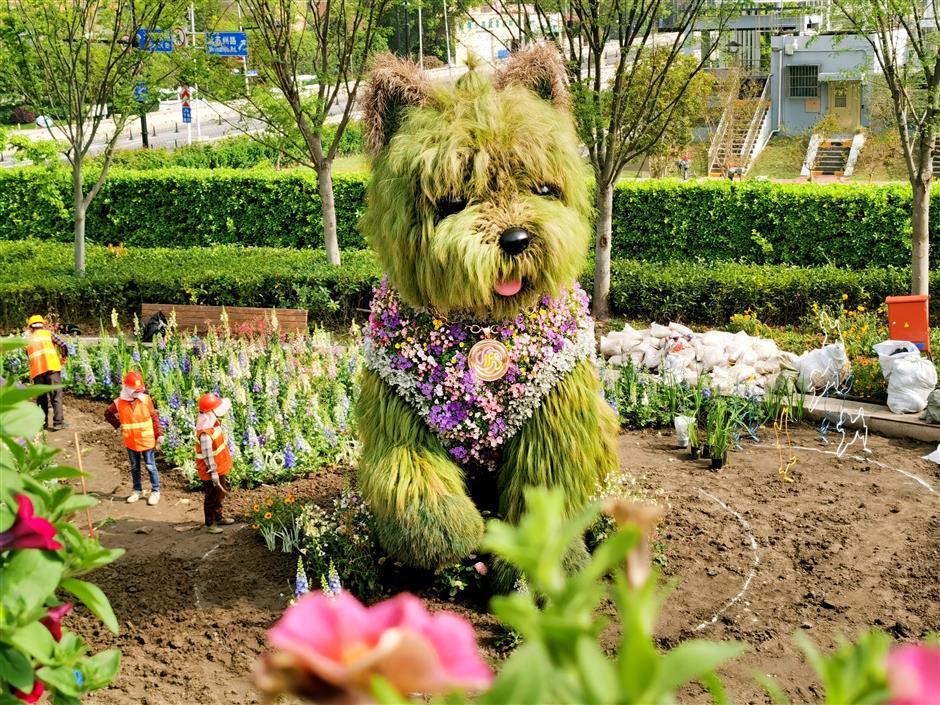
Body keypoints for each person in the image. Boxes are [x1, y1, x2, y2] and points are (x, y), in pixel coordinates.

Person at [105, 371, 162, 505]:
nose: (138, 393)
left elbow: (154, 417)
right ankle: (137, 490)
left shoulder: (145, 399)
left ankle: (155, 491)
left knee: (150, 466)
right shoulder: (119, 403)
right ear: (128, 389)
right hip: (130, 441)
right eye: (136, 391)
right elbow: (107, 414)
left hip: (147, 441)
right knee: (134, 467)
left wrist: (159, 434)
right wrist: (117, 425)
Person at [195, 393, 235, 533]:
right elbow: (208, 456)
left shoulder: (213, 424)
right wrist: (213, 474)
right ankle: (210, 524)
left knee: (219, 495)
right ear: (209, 412)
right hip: (211, 471)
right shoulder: (205, 433)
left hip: (220, 468)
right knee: (211, 497)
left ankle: (218, 517)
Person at [25, 315, 69, 431]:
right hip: (52, 369)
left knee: (41, 399)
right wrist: (63, 358)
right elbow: (63, 345)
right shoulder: (48, 334)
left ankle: (42, 424)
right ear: (43, 324)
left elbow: (29, 357)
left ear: (30, 327)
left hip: (37, 372)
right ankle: (58, 423)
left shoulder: (28, 340)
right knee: (56, 397)